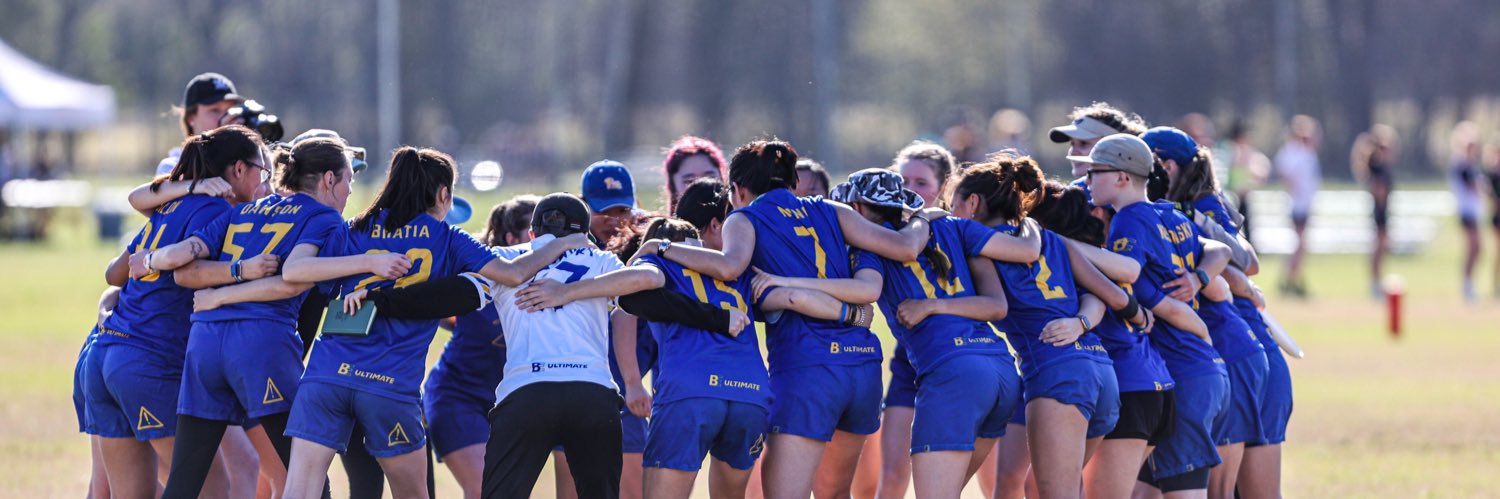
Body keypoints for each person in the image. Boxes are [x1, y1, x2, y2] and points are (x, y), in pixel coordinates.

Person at [633, 139, 942, 498]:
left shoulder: (743, 217)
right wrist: (922, 215)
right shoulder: (831, 209)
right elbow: (904, 248)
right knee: (836, 493)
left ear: (737, 189)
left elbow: (730, 266)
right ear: (794, 182)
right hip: (862, 367)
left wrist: (664, 247)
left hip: (807, 367)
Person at [821, 167, 1034, 498]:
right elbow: (996, 305)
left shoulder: (869, 249)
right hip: (1002, 372)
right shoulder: (952, 226)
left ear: (858, 210)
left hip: (954, 372)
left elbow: (862, 288)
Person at [94, 126, 274, 498]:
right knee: (214, 487)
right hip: (148, 361)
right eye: (262, 170)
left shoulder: (170, 204)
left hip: (104, 356)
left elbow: (115, 272)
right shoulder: (219, 211)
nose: (265, 181)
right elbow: (185, 270)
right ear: (239, 169)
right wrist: (245, 271)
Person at [1080, 133, 1233, 498]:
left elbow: (1128, 273)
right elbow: (1220, 250)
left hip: (1184, 367)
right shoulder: (1166, 211)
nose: (1088, 182)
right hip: (1197, 367)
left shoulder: (1129, 220)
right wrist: (1198, 283)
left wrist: (1066, 246)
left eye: (1095, 172)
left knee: (1185, 492)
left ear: (1122, 177)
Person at [1144, 127, 1270, 499]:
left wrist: (1210, 275)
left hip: (1229, 350)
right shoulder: (1158, 211)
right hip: (1209, 353)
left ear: (1165, 167)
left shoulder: (1201, 205)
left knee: (1220, 491)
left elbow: (1245, 261)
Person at [424, 195, 538, 499]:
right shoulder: (476, 275)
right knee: (484, 491)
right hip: (457, 398)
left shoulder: (553, 284)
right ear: (512, 239)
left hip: (510, 405)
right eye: (536, 232)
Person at [1273, 115, 1321, 298]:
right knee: (1299, 243)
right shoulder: (1291, 152)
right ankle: (1290, 278)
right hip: (1296, 203)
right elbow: (1286, 175)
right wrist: (1295, 190)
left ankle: (1294, 277)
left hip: (1305, 202)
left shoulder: (1307, 153)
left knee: (1301, 243)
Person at [1351, 125, 1399, 298]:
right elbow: (1378, 190)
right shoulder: (1377, 166)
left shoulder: (1382, 166)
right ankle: (1375, 282)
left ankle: (1377, 281)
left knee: (1381, 247)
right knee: (1378, 247)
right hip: (1379, 210)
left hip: (1383, 209)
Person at [1450, 122, 1485, 302]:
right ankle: (1466, 284)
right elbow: (1475, 187)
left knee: (1477, 248)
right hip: (1466, 212)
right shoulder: (1462, 164)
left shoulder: (1471, 165)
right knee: (1473, 247)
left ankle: (1469, 282)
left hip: (1474, 212)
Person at [661, 135, 728, 213]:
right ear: (673, 185)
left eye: (710, 178)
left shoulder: (740, 222)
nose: (701, 188)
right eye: (690, 181)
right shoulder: (663, 225)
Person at [582, 160, 641, 245]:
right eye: (604, 211)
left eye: (623, 210)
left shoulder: (647, 241)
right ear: (583, 206)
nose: (614, 221)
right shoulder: (569, 251)